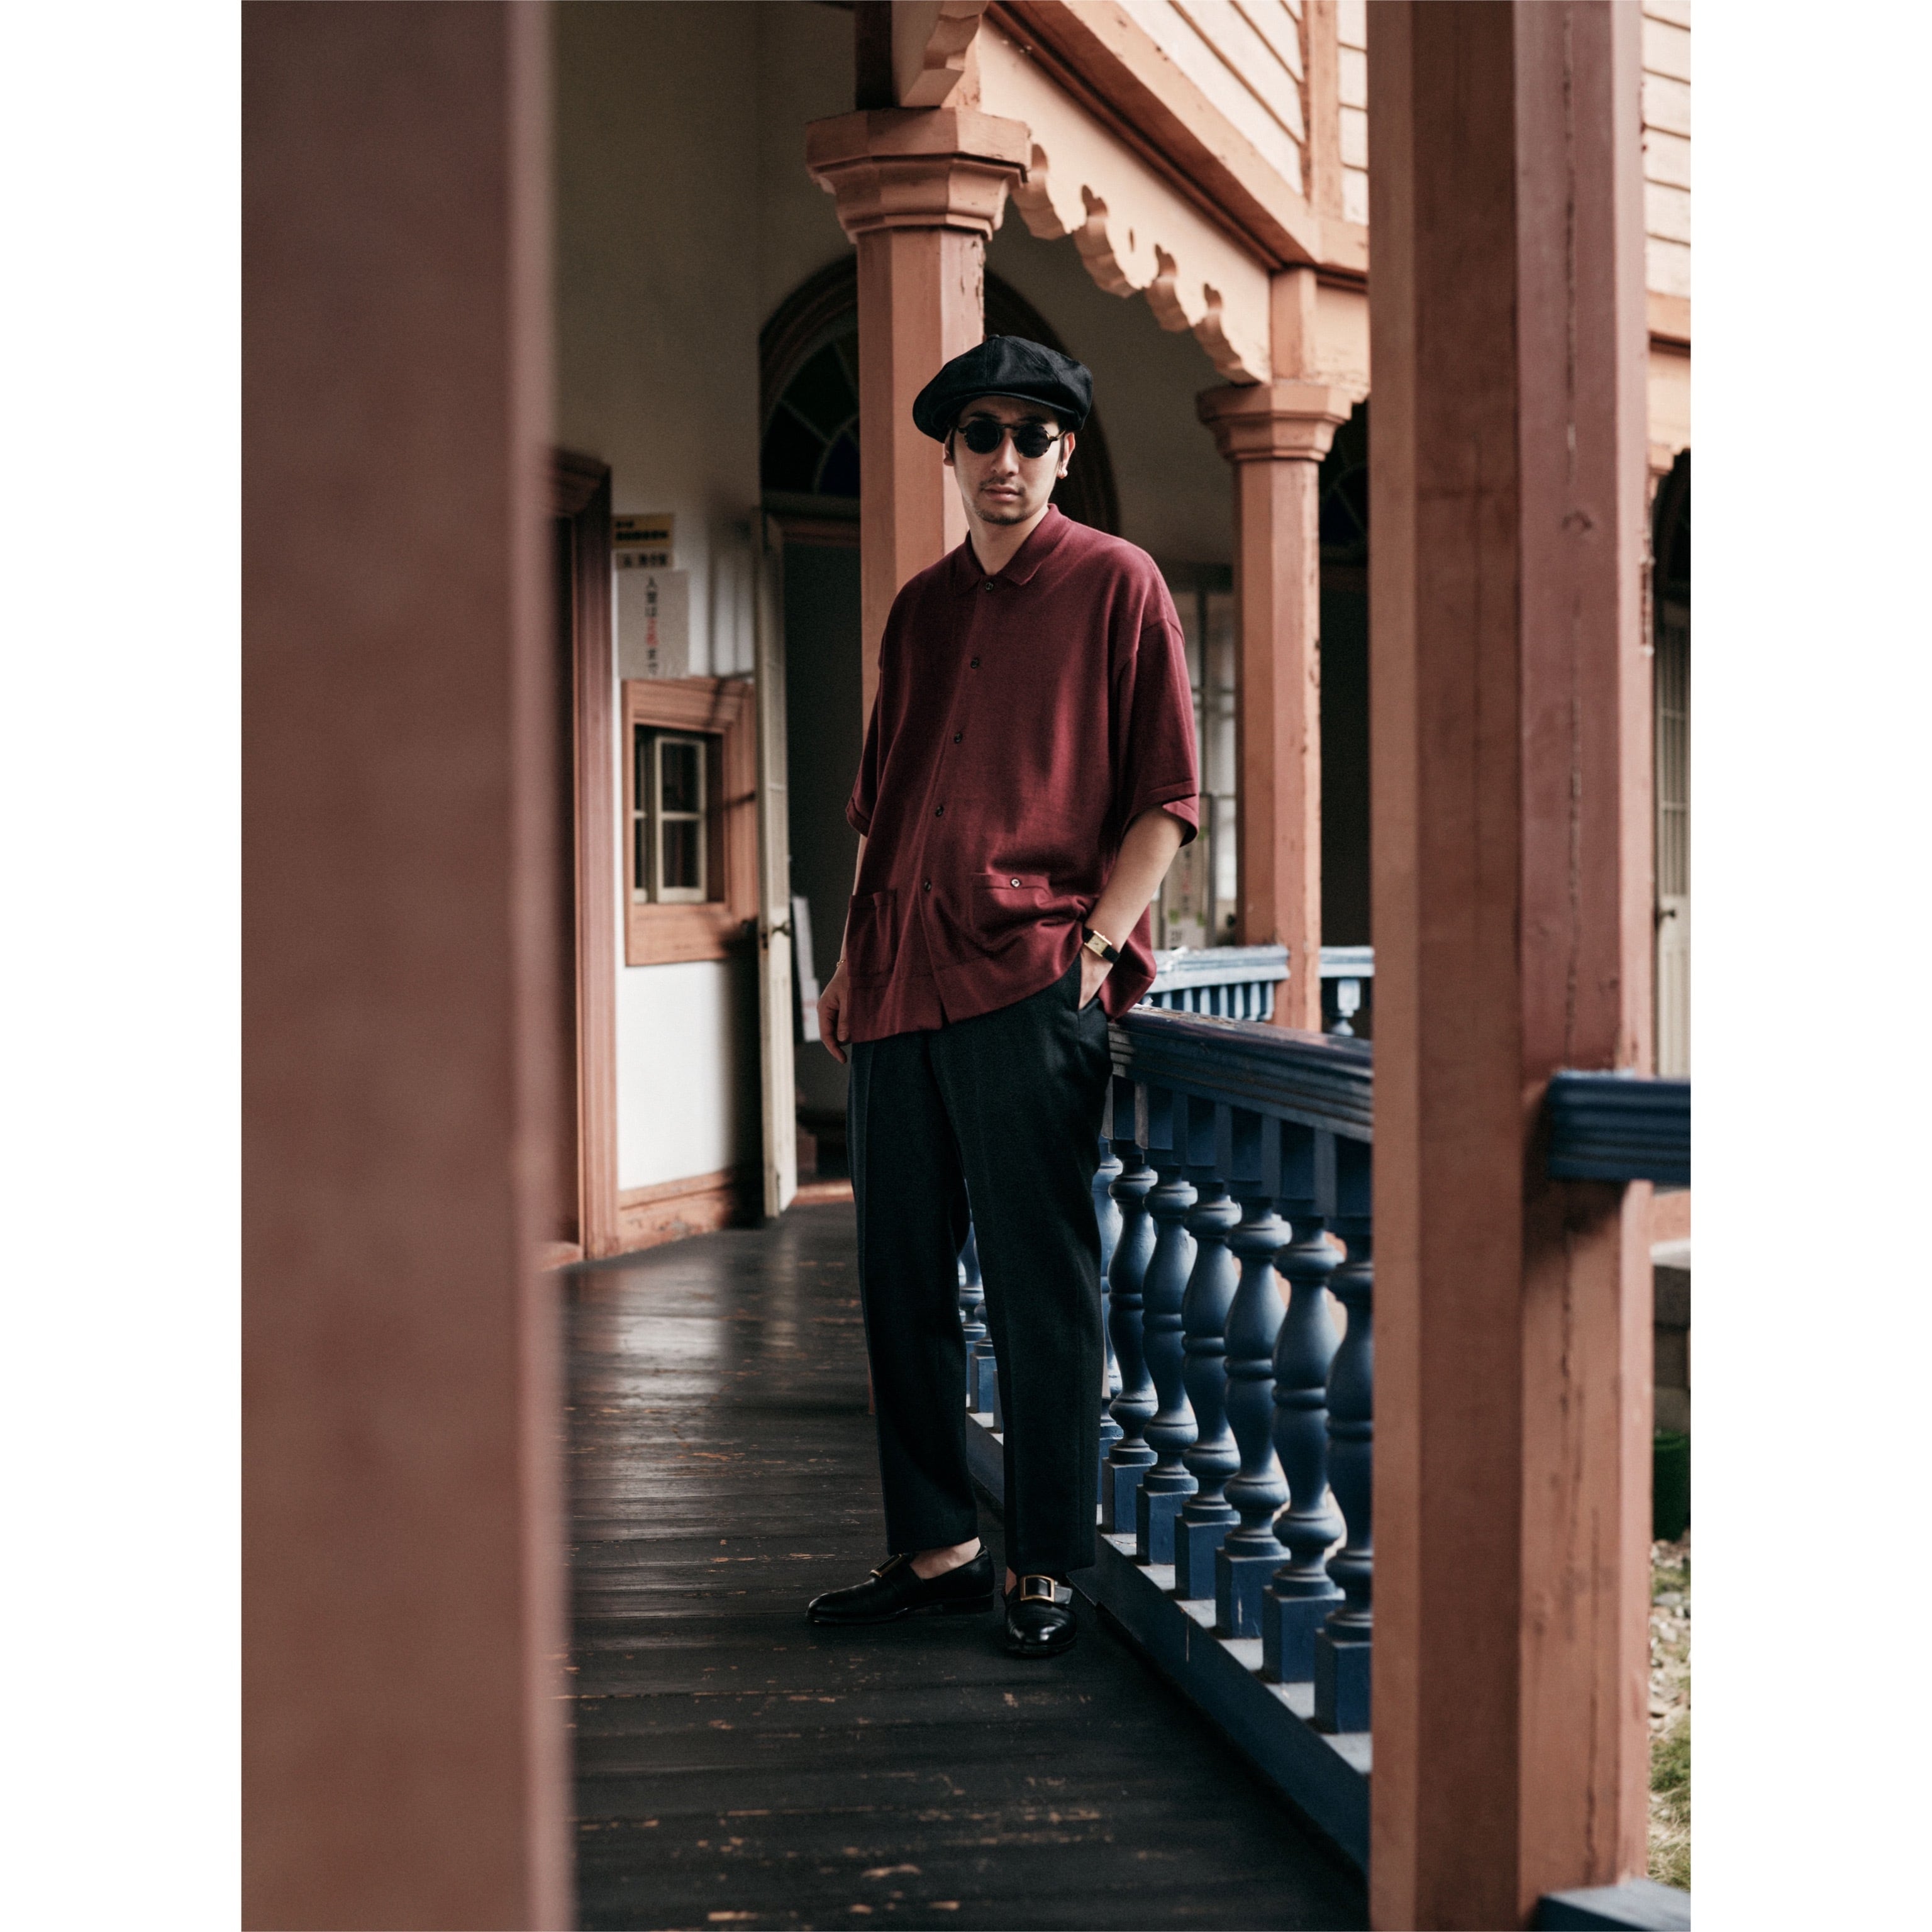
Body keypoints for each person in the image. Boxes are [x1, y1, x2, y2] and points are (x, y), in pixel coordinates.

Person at [804, 336, 1199, 1658]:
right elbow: (886, 804)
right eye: (983, 434)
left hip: (1029, 976)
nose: (1007, 458)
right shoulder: (920, 611)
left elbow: (1166, 798)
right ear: (953, 453)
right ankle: (937, 1548)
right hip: (897, 977)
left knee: (1041, 1283)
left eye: (1034, 435)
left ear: (1065, 453)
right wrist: (850, 957)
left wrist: (1100, 942)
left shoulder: (1120, 585)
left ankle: (1043, 1561)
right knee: (899, 1274)